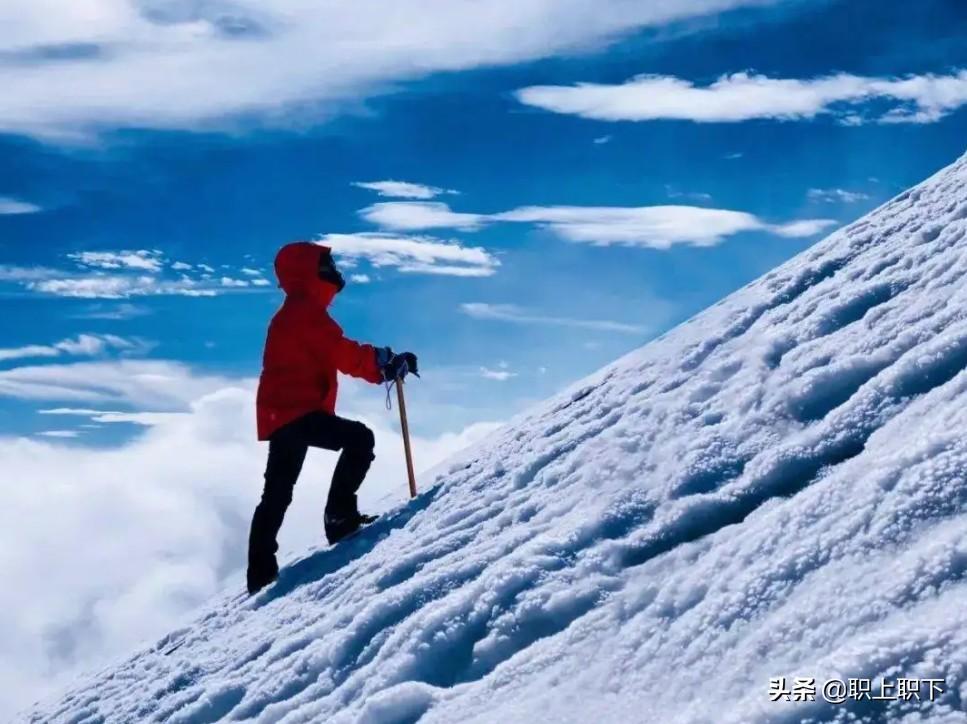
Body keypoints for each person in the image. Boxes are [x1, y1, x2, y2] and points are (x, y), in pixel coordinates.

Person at [247, 241, 417, 594]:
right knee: (358, 440)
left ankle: (260, 574)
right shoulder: (303, 313)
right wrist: (384, 363)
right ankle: (339, 518)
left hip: (286, 414)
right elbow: (341, 352)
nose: (334, 270)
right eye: (327, 263)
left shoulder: (299, 311)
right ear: (309, 272)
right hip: (296, 412)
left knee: (277, 493)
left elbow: (337, 352)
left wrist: (382, 365)